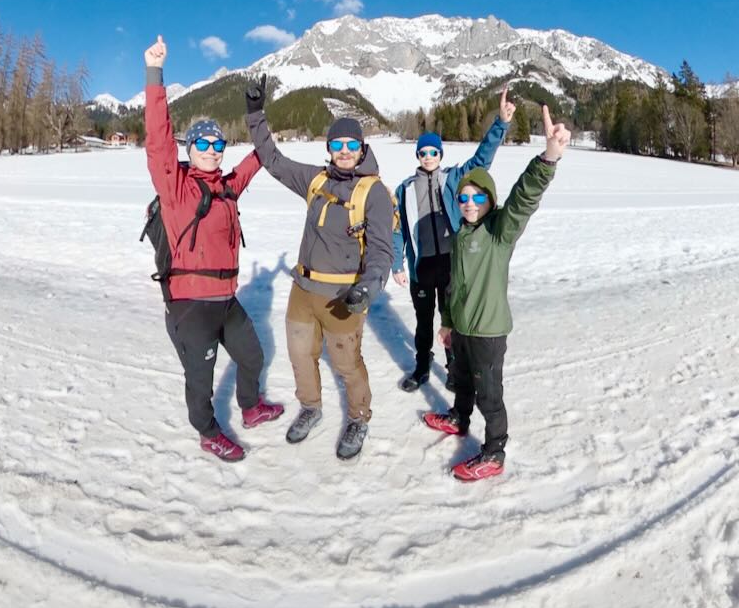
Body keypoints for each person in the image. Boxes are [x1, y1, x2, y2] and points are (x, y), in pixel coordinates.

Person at [144, 36, 283, 463]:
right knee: (200, 378)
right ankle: (206, 431)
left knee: (253, 355)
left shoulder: (227, 186)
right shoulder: (176, 186)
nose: (211, 150)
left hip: (226, 300)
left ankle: (251, 406)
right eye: (202, 144)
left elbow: (259, 156)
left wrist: (258, 113)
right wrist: (154, 74)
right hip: (190, 305)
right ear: (190, 150)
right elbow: (158, 141)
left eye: (218, 144)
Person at [244, 75, 394, 460]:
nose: (344, 151)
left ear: (362, 149)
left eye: (351, 144)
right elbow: (273, 161)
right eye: (337, 144)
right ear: (329, 148)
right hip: (303, 291)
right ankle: (310, 407)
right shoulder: (316, 179)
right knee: (300, 357)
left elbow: (381, 251)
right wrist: (255, 114)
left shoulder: (373, 192)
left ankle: (359, 417)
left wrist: (369, 287)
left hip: (343, 298)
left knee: (346, 364)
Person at [422, 103, 571, 481]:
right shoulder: (460, 237)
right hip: (462, 330)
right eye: (464, 198)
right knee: (459, 380)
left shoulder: (499, 232)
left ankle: (494, 452)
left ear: (489, 200)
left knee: (489, 393)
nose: (470, 204)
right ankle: (458, 419)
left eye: (478, 198)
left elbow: (523, 199)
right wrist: (447, 323)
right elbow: (454, 287)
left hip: (488, 332)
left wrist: (548, 158)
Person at [392, 84, 515, 393]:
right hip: (422, 266)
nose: (429, 156)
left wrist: (500, 123)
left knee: (453, 319)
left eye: (434, 151)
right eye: (424, 152)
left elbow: (481, 160)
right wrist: (397, 262)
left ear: (440, 154)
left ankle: (453, 369)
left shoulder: (454, 178)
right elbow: (398, 229)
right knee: (423, 322)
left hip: (451, 262)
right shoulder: (405, 188)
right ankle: (421, 366)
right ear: (418, 155)